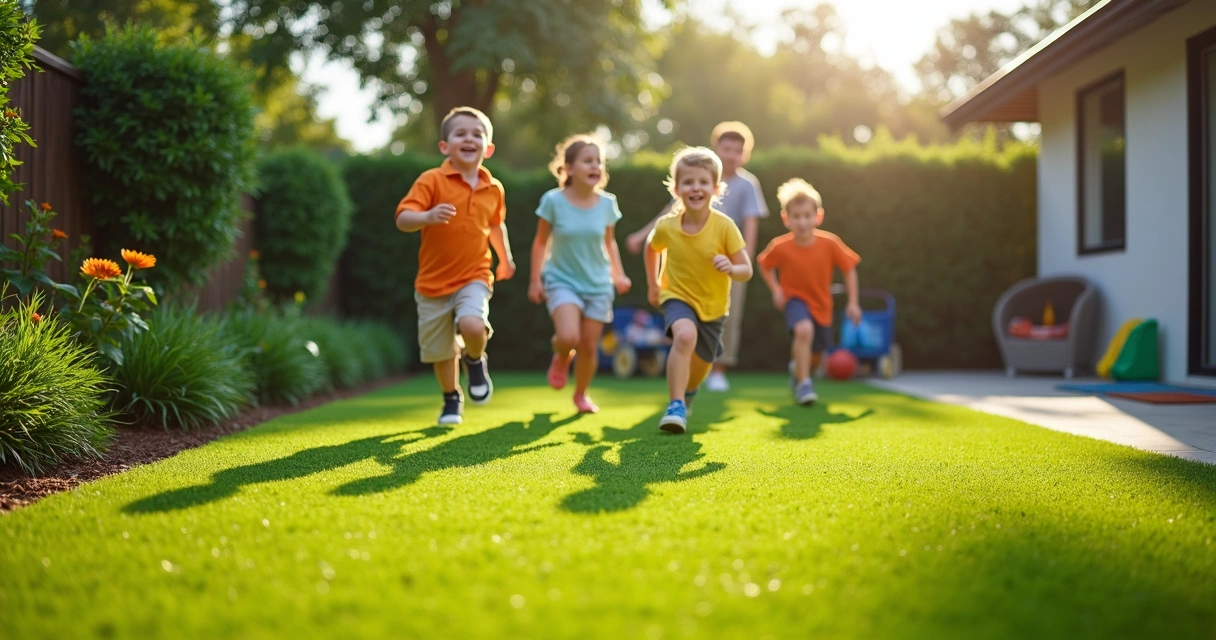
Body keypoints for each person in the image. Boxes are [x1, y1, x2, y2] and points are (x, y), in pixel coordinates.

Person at [394, 106, 515, 425]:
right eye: (460, 133)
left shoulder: (494, 187)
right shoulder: (431, 180)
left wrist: (505, 258)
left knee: (474, 325)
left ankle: (475, 360)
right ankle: (451, 397)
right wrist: (427, 217)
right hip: (432, 284)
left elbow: (495, 226)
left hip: (474, 274)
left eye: (477, 134)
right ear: (445, 146)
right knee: (442, 351)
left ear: (488, 148)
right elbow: (403, 218)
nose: (469, 138)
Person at [626, 121, 766, 392]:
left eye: (738, 151)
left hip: (726, 260)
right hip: (689, 257)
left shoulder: (748, 185)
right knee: (685, 324)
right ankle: (681, 382)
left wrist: (741, 261)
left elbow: (751, 223)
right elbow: (668, 216)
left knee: (726, 316)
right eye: (727, 149)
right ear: (717, 148)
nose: (732, 155)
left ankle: (718, 369)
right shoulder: (693, 176)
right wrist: (642, 235)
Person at [645, 147, 752, 434]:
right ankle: (676, 404)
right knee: (684, 336)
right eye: (688, 182)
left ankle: (689, 391)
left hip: (714, 306)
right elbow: (650, 248)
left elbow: (747, 270)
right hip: (676, 295)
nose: (696, 188)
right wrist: (654, 284)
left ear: (716, 188)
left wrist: (731, 266)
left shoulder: (725, 227)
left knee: (703, 362)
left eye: (703, 182)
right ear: (676, 189)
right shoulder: (667, 226)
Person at [528, 134, 631, 414]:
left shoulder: (608, 203)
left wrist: (618, 275)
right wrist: (535, 280)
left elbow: (609, 243)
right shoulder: (552, 201)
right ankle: (561, 357)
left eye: (599, 161)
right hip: (561, 279)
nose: (595, 166)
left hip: (598, 284)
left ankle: (581, 395)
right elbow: (540, 242)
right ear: (569, 168)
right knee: (569, 337)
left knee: (588, 346)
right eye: (588, 160)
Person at [757, 178, 861, 406]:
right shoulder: (779, 246)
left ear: (818, 216)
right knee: (803, 330)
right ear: (787, 219)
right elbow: (764, 264)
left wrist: (853, 303)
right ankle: (804, 384)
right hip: (795, 300)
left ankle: (800, 371)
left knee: (817, 354)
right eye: (796, 217)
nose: (802, 222)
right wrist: (776, 290)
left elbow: (849, 269)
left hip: (822, 305)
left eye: (807, 216)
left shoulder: (830, 243)